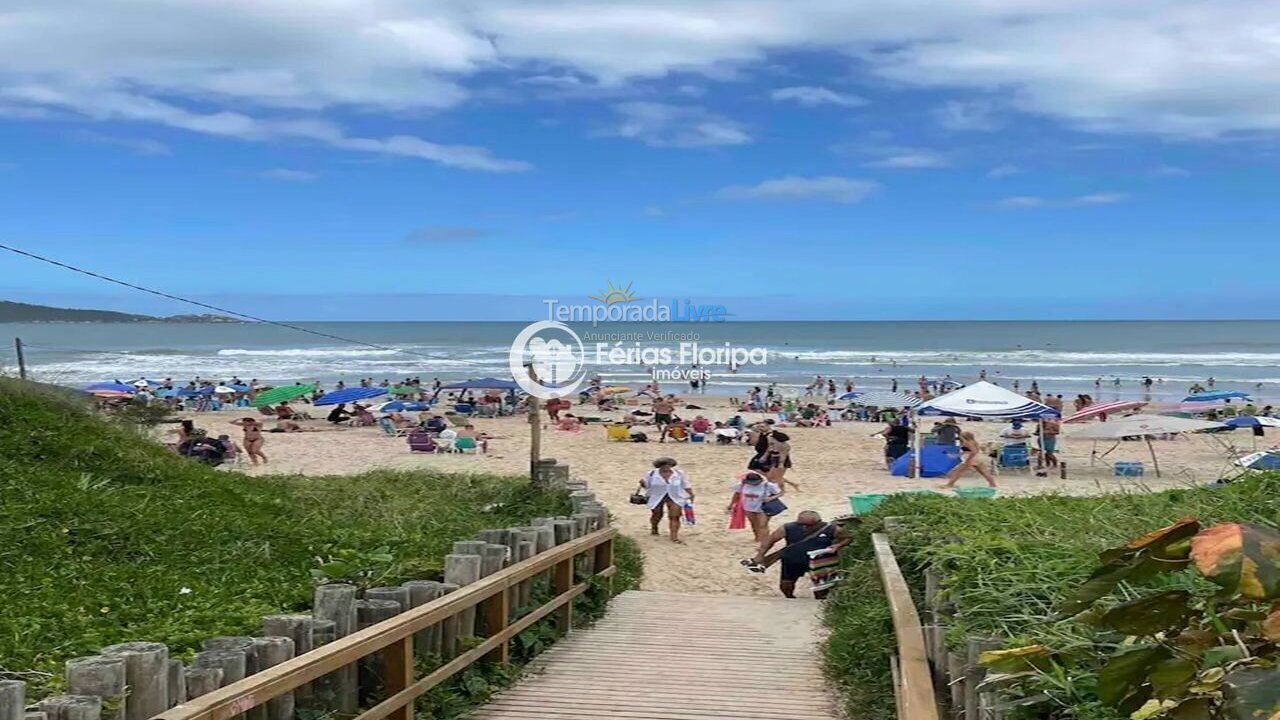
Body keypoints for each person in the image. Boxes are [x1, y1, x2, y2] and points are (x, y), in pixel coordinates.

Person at [749, 511, 849, 599]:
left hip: (820, 561)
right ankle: (790, 599)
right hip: (792, 559)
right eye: (801, 524)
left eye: (809, 525)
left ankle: (819, 600)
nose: (804, 527)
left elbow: (848, 538)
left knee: (822, 588)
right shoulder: (787, 527)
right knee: (786, 584)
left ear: (818, 522)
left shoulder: (832, 529)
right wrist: (760, 555)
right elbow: (770, 540)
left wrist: (838, 546)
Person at [637, 457, 694, 544]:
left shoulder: (679, 473)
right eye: (664, 465)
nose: (666, 467)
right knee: (657, 514)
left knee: (675, 516)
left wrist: (691, 494)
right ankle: (654, 527)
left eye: (669, 465)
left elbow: (685, 484)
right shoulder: (651, 474)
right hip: (657, 496)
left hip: (675, 496)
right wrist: (643, 483)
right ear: (659, 466)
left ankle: (674, 536)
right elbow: (647, 486)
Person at [728, 471, 784, 544]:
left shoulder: (768, 485)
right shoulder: (742, 485)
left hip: (763, 508)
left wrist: (771, 498)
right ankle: (757, 538)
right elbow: (737, 494)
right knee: (754, 524)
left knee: (762, 525)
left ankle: (765, 541)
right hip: (748, 507)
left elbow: (780, 493)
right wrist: (731, 505)